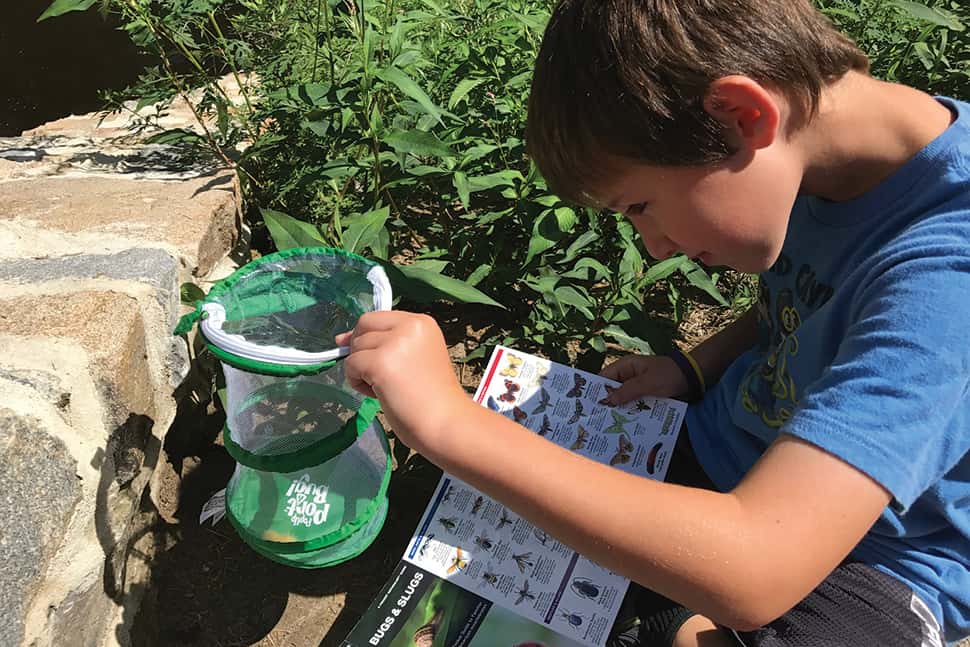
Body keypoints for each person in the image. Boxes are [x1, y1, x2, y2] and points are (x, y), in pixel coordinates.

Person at [335, 0, 970, 644]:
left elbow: (756, 569)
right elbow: (817, 296)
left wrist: (447, 422)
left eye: (640, 205)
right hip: (732, 447)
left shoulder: (949, 278)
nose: (655, 246)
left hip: (886, 558)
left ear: (743, 115)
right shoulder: (839, 148)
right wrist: (695, 367)